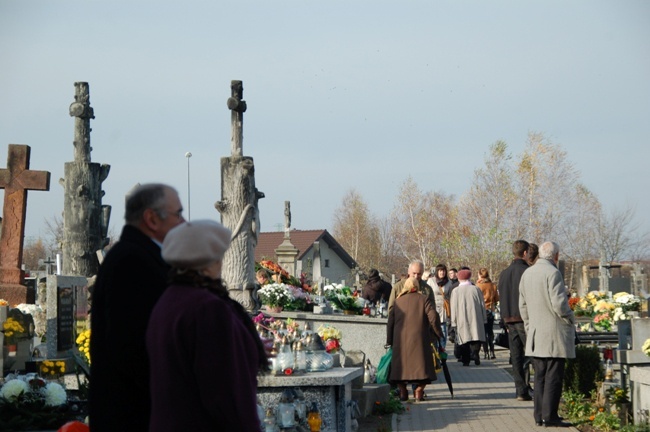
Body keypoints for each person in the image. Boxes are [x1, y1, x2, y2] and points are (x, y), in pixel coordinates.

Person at [147, 220, 270, 431]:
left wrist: (243, 345)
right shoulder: (207, 308)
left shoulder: (168, 299)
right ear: (207, 260)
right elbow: (225, 390)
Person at [89, 184, 185, 432]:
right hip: (134, 413)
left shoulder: (143, 255)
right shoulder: (132, 261)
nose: (183, 222)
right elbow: (131, 346)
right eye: (178, 214)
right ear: (152, 218)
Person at [520, 241, 575, 428]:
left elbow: (523, 305)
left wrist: (529, 326)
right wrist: (570, 317)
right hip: (554, 332)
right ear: (556, 256)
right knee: (554, 376)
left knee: (540, 376)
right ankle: (550, 415)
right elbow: (559, 304)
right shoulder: (553, 273)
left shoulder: (528, 273)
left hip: (536, 333)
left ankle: (539, 415)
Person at [386, 277, 443, 401]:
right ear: (417, 287)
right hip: (420, 339)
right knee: (424, 369)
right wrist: (438, 333)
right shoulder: (424, 299)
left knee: (398, 371)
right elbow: (433, 316)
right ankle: (419, 391)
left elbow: (390, 322)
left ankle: (403, 392)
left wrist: (389, 340)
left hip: (400, 341)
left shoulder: (397, 302)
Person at [498, 239, 532, 401]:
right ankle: (534, 387)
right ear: (525, 253)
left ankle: (520, 391)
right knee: (533, 354)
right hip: (524, 319)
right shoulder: (528, 272)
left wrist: (503, 320)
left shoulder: (504, 273)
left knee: (516, 356)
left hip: (509, 319)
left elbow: (502, 297)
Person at [450, 269, 486, 366]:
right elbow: (482, 304)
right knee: (476, 336)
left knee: (464, 339)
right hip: (475, 316)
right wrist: (484, 318)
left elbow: (453, 307)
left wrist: (453, 321)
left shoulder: (456, 291)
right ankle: (475, 354)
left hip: (461, 318)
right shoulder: (476, 289)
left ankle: (466, 360)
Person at [427, 264, 453, 349]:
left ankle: (442, 349)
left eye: (444, 271)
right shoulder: (431, 281)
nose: (442, 272)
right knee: (433, 329)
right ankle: (435, 349)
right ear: (437, 271)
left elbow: (451, 295)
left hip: (443, 307)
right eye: (440, 271)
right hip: (433, 306)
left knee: (443, 330)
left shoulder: (449, 282)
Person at [476, 267, 499, 359]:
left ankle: (485, 352)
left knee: (483, 332)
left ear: (480, 275)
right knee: (490, 332)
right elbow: (497, 299)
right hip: (490, 310)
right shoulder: (493, 285)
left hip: (481, 310)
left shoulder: (478, 286)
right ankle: (492, 352)